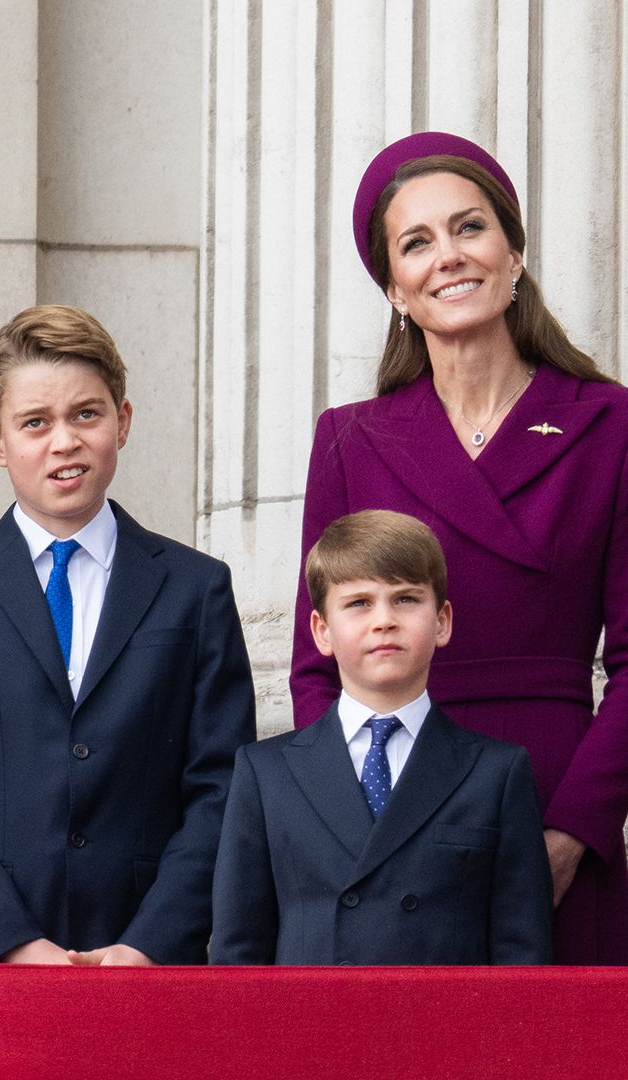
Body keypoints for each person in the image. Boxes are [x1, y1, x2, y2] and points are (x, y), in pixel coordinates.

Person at [291, 130, 628, 963]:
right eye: (417, 242)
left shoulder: (609, 423)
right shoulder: (349, 440)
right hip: (390, 815)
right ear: (395, 288)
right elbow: (315, 663)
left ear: (514, 253)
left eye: (469, 228)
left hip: (549, 796)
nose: (448, 257)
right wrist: (347, 824)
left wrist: (572, 831)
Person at [0, 304, 255, 964]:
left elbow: (221, 789)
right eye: (35, 423)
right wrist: (15, 944)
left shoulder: (196, 589)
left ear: (123, 421)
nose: (64, 441)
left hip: (146, 959)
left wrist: (148, 943)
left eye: (87, 414)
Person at [213, 510, 552, 964]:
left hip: (448, 1030)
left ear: (442, 621)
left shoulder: (496, 772)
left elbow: (522, 953)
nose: (384, 620)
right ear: (322, 631)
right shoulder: (266, 773)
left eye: (407, 599)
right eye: (358, 603)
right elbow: (238, 951)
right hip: (308, 1029)